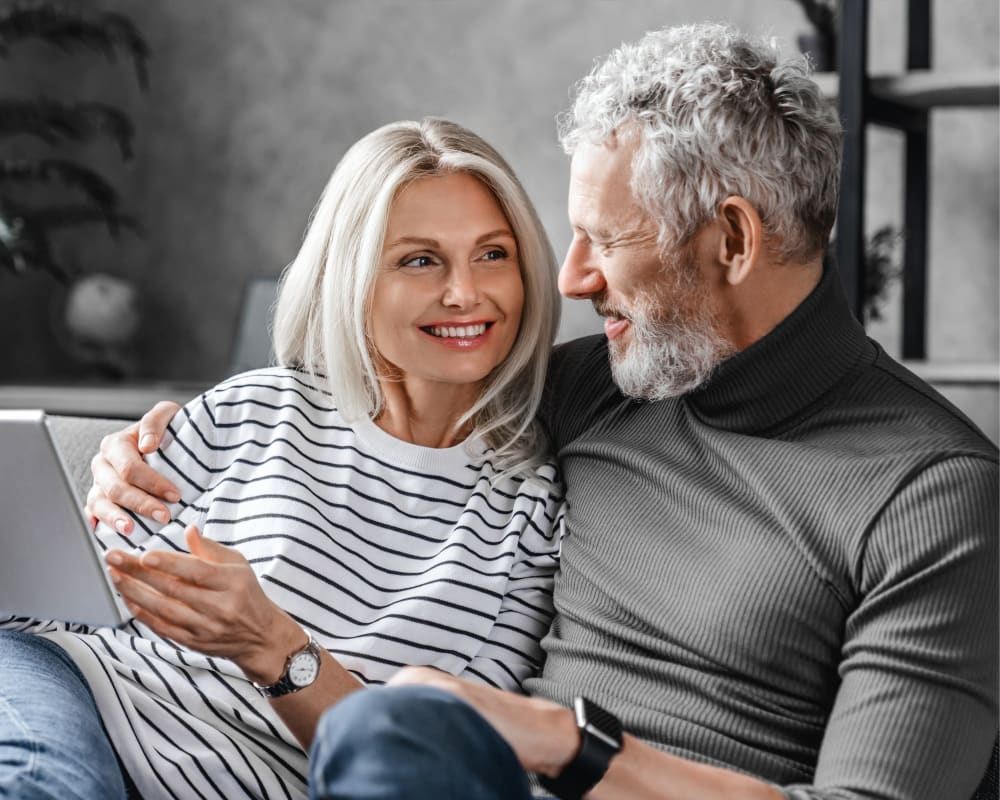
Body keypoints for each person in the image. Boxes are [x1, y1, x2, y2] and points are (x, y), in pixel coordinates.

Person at [87, 22, 999, 800]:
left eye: (605, 239)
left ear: (731, 239)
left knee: (393, 731)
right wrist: (147, 450)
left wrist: (566, 742)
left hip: (535, 761)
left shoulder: (932, 494)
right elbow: (382, 393)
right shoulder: (599, 386)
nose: (567, 281)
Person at [0, 117, 566, 800]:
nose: (465, 293)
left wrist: (272, 645)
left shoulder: (529, 509)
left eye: (492, 254)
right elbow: (72, 595)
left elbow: (433, 766)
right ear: (352, 279)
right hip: (73, 689)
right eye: (420, 260)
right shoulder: (258, 407)